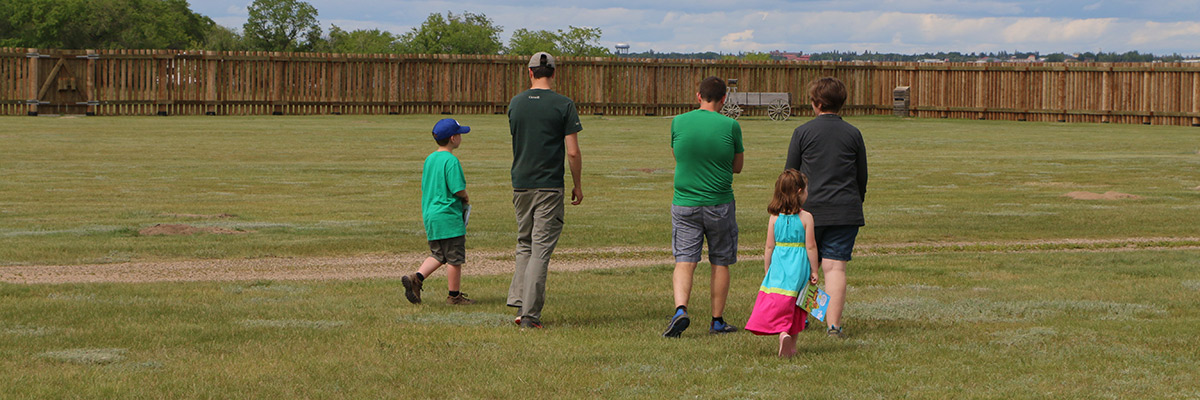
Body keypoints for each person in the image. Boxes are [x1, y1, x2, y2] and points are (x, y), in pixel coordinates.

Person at [783, 77, 868, 338]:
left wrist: (790, 206)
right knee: (835, 268)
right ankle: (833, 326)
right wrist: (856, 201)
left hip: (810, 210)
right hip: (845, 210)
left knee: (809, 267)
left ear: (817, 104)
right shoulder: (853, 133)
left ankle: (804, 318)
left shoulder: (803, 132)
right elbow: (861, 175)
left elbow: (791, 172)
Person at [505, 52, 584, 329]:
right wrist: (577, 184)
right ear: (553, 73)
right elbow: (572, 152)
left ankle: (519, 301)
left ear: (530, 73)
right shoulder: (563, 104)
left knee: (524, 243)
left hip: (520, 183)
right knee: (540, 249)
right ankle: (529, 315)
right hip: (549, 185)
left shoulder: (515, 104)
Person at [662, 76, 744, 338]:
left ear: (698, 96)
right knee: (720, 261)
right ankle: (717, 320)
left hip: (685, 202)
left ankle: (680, 310)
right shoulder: (731, 125)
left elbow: (678, 155)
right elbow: (737, 167)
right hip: (719, 201)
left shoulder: (678, 121)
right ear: (723, 99)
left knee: (685, 260)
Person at [745, 169, 819, 357]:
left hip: (779, 266)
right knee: (797, 303)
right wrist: (814, 270)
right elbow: (811, 246)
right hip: (799, 267)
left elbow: (769, 246)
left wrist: (767, 268)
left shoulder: (774, 218)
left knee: (780, 301)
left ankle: (782, 333)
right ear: (800, 191)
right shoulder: (806, 218)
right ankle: (791, 343)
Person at [402, 118, 476, 306]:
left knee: (438, 254)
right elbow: (457, 188)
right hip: (448, 216)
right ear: (453, 138)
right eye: (459, 134)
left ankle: (416, 279)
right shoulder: (451, 160)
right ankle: (454, 295)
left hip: (431, 215)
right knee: (454, 258)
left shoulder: (430, 159)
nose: (461, 137)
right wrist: (466, 197)